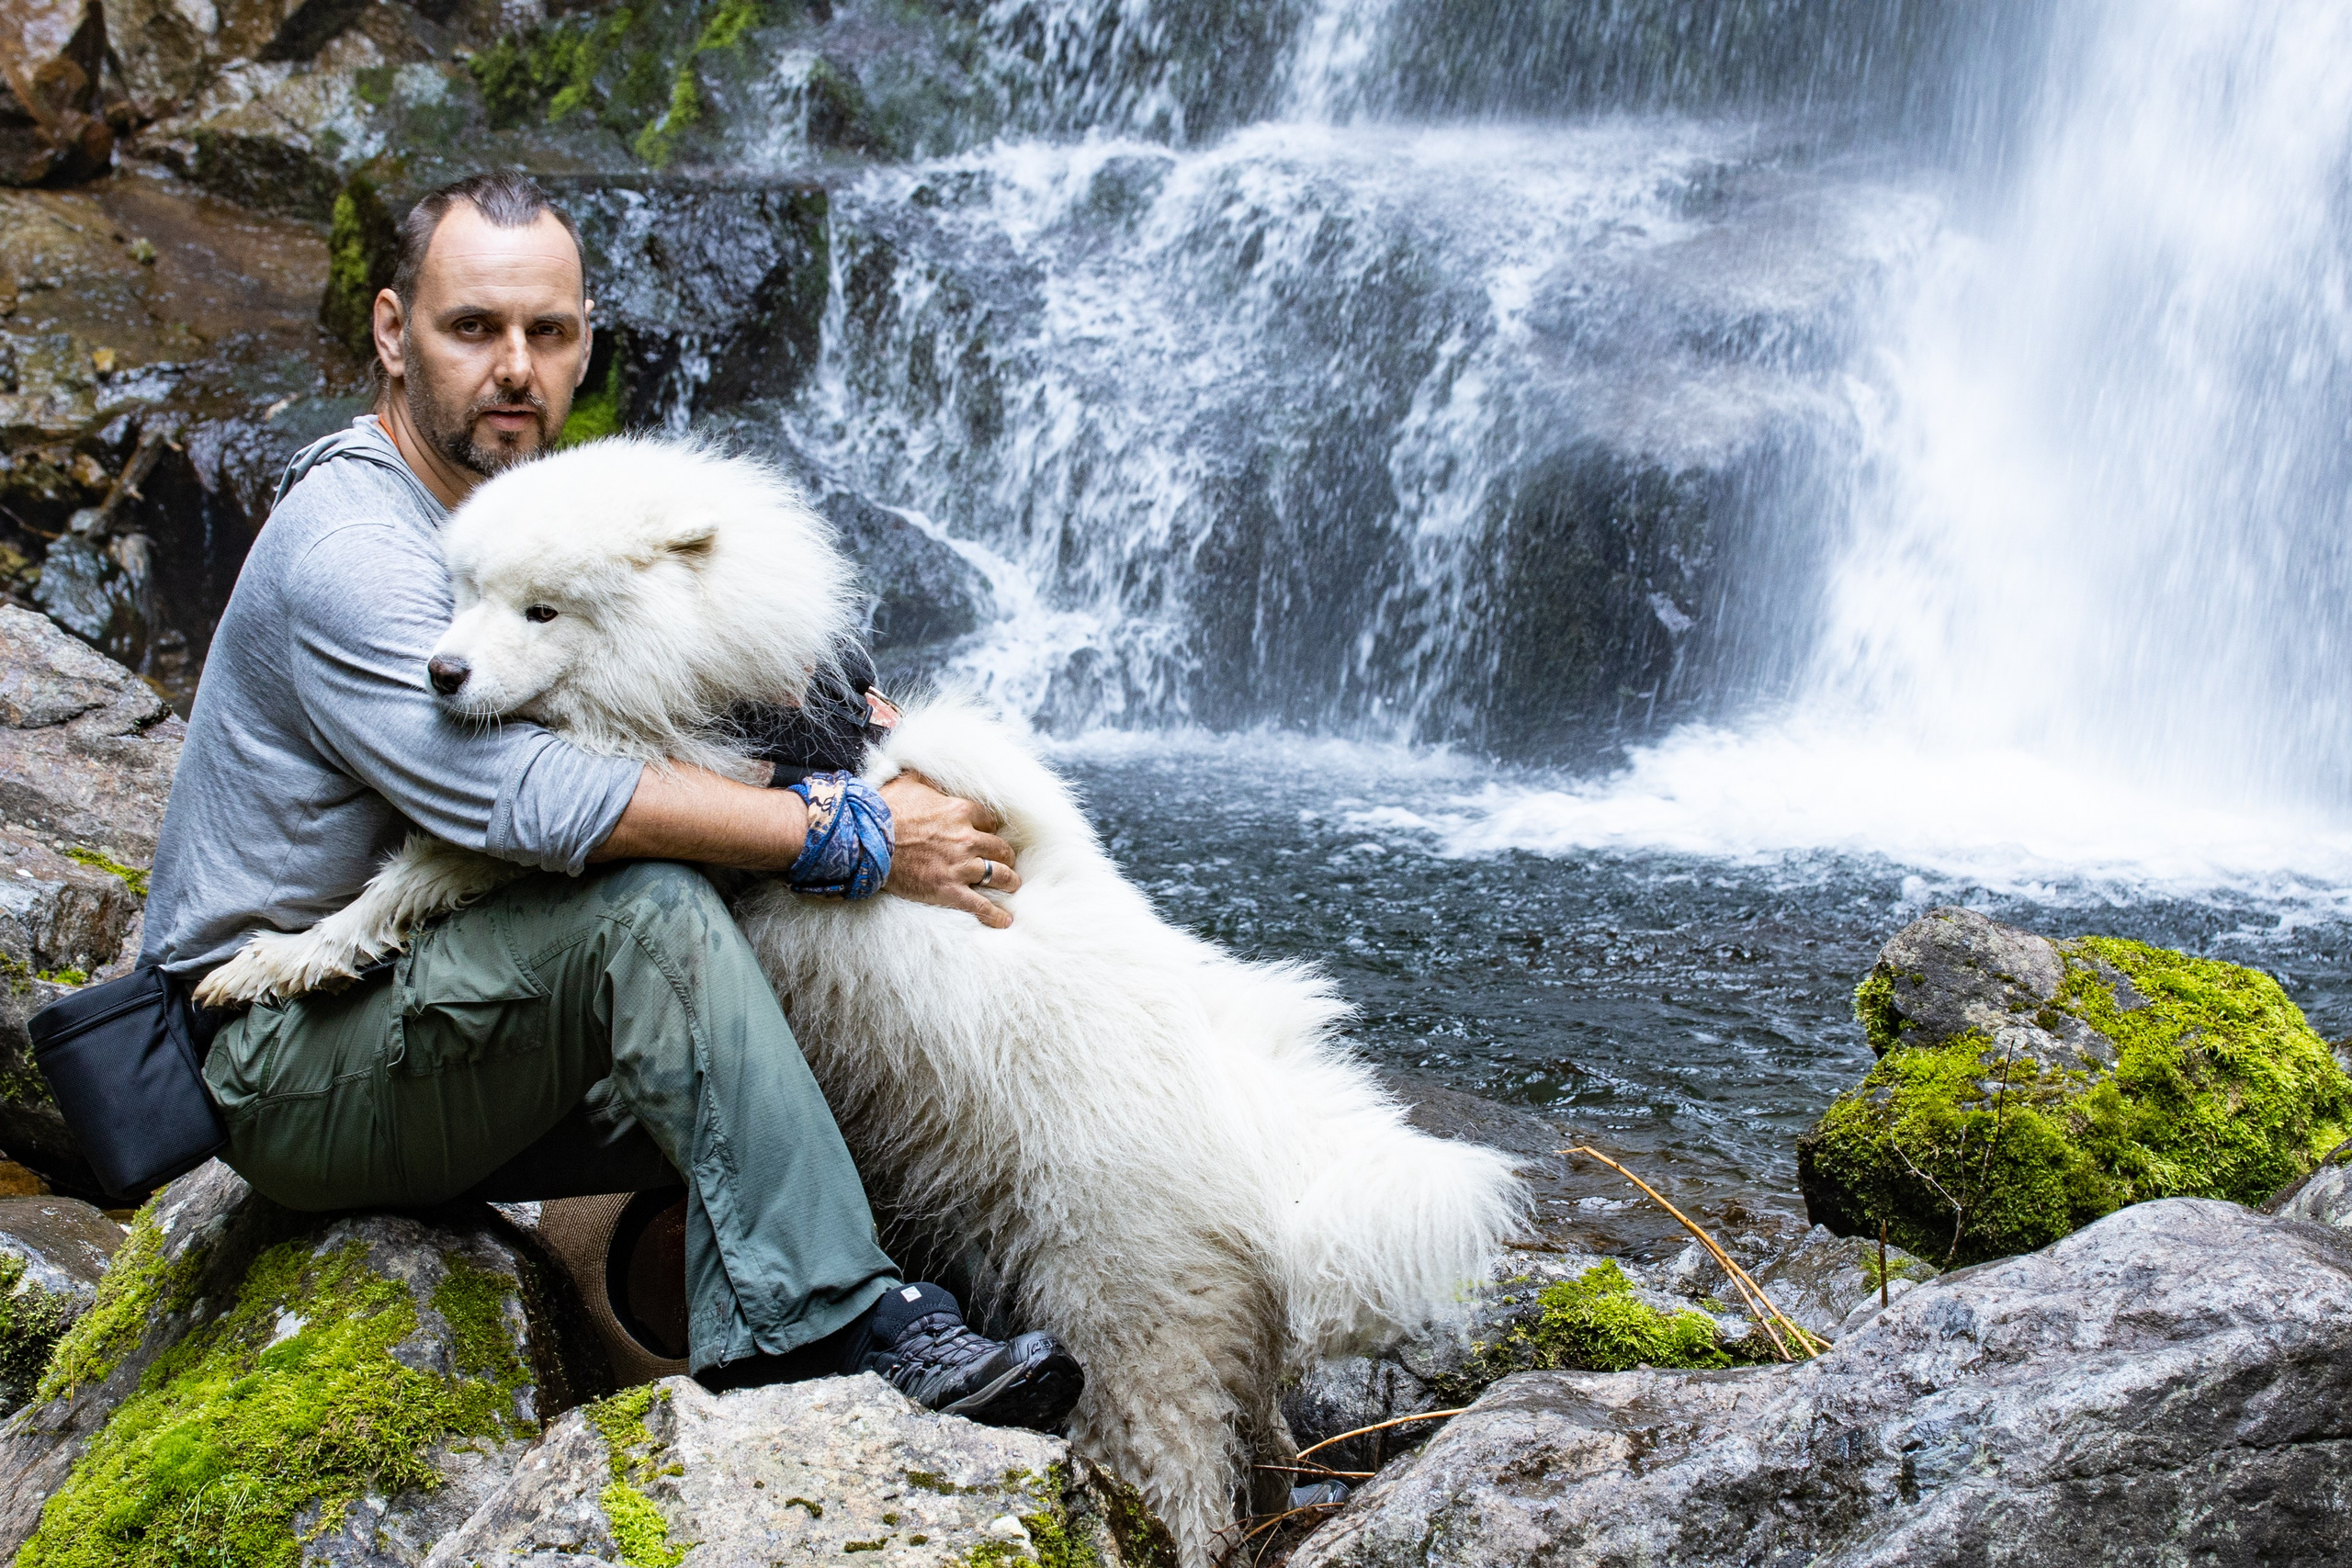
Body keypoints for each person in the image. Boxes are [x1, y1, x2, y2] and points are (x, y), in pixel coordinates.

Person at [139, 170, 1083, 1427]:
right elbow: (532, 798)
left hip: (444, 997)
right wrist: (852, 831)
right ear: (391, 333)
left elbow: (676, 703)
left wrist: (849, 731)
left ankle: (946, 1279)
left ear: (586, 344)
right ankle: (829, 1327)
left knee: (821, 960)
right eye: (472, 328)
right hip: (287, 1054)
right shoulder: (353, 544)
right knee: (651, 909)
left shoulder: (526, 525)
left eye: (547, 332)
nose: (515, 368)